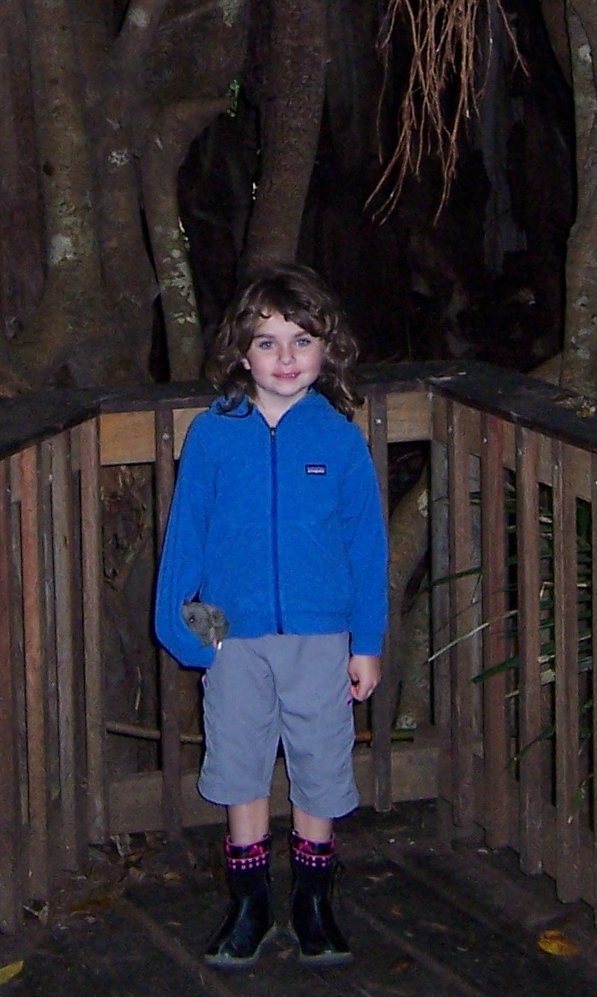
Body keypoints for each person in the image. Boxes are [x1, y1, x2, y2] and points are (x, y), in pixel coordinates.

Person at [153, 266, 388, 971]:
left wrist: (366, 642)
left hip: (322, 637)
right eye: (267, 343)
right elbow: (185, 538)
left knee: (319, 766)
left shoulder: (340, 439)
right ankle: (248, 903)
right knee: (240, 767)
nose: (285, 359)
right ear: (241, 352)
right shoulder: (213, 434)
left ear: (327, 350)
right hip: (234, 638)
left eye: (302, 341)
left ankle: (314, 904)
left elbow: (366, 546)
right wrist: (190, 636)